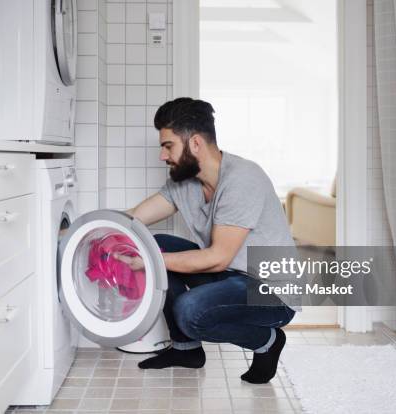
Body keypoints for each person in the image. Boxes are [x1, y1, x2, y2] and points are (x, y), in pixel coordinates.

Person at [121, 97, 298, 384]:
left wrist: (148, 262)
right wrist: (89, 229)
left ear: (194, 143)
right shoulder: (184, 182)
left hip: (271, 292)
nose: (162, 157)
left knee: (190, 311)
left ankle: (267, 340)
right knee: (157, 243)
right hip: (232, 277)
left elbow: (217, 258)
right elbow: (135, 218)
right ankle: (186, 351)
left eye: (168, 146)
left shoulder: (242, 179)